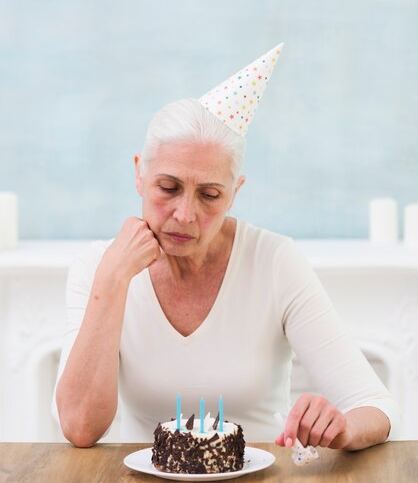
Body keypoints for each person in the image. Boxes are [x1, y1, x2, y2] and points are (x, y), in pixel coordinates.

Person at [53, 45, 400, 450]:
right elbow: (79, 428)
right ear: (139, 175)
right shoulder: (98, 266)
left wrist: (342, 427)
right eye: (168, 188)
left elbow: (375, 405)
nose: (184, 214)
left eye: (210, 195)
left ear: (235, 192)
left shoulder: (273, 261)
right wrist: (111, 280)